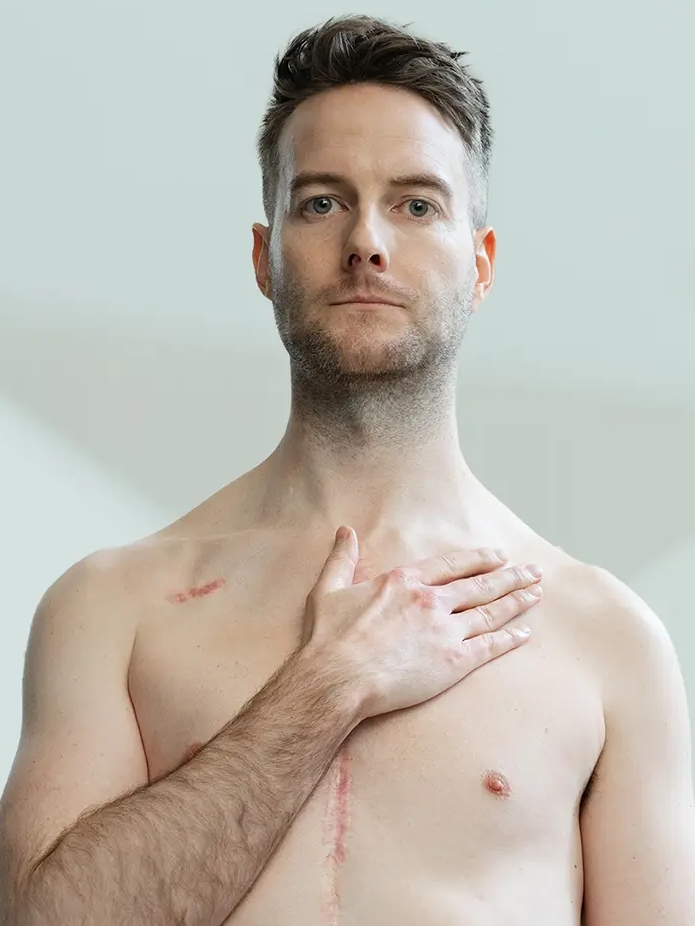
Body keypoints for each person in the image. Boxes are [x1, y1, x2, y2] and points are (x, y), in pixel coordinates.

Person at [1, 13, 694, 926]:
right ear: (264, 259)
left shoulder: (606, 641)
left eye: (416, 204)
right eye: (321, 201)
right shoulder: (113, 608)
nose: (367, 240)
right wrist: (328, 683)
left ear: (480, 265)